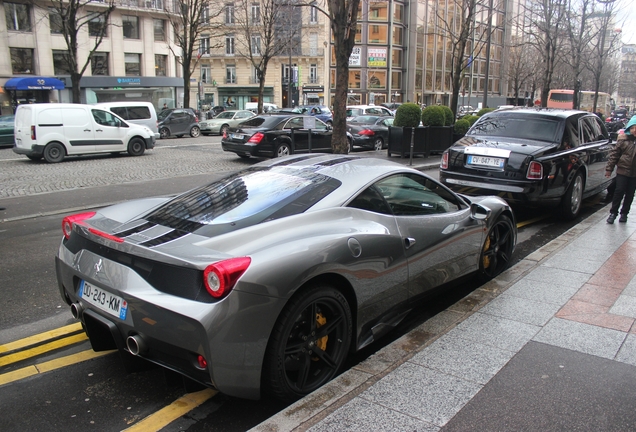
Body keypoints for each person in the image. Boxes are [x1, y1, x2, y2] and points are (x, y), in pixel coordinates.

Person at [605, 116, 636, 224]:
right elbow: (614, 155)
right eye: (632, 128)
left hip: (634, 174)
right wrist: (609, 169)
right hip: (623, 170)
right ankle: (613, 213)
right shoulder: (623, 140)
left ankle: (624, 214)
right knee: (619, 192)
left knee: (630, 194)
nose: (634, 130)